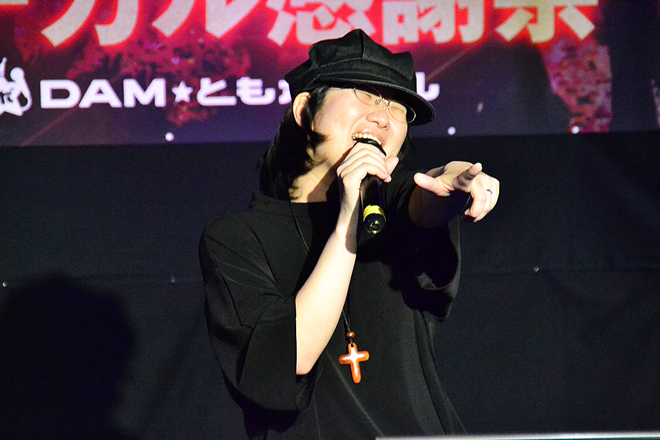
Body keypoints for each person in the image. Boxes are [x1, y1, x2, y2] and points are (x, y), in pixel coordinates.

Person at [199, 29, 499, 439]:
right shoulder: (236, 239)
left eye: (398, 108)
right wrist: (346, 223)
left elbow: (426, 197)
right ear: (305, 110)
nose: (383, 117)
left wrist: (456, 179)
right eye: (366, 94)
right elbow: (288, 362)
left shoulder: (390, 207)